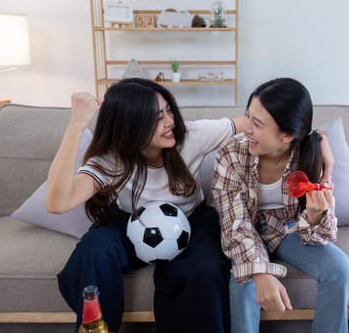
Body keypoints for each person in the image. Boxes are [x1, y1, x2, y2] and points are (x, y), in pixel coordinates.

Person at [45, 78, 244, 333]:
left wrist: (303, 135)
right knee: (94, 252)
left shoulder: (192, 136)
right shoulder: (111, 159)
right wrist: (76, 125)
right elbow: (57, 203)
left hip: (192, 219)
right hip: (130, 219)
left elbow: (249, 124)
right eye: (157, 117)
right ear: (131, 124)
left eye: (169, 110)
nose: (170, 122)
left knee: (204, 270)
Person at [212, 78, 349, 333]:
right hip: (248, 230)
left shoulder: (311, 156)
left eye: (257, 124)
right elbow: (235, 224)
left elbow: (326, 233)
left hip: (291, 228)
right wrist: (260, 272)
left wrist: (313, 217)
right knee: (244, 280)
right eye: (248, 117)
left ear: (287, 135)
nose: (247, 129)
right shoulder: (231, 154)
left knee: (339, 269)